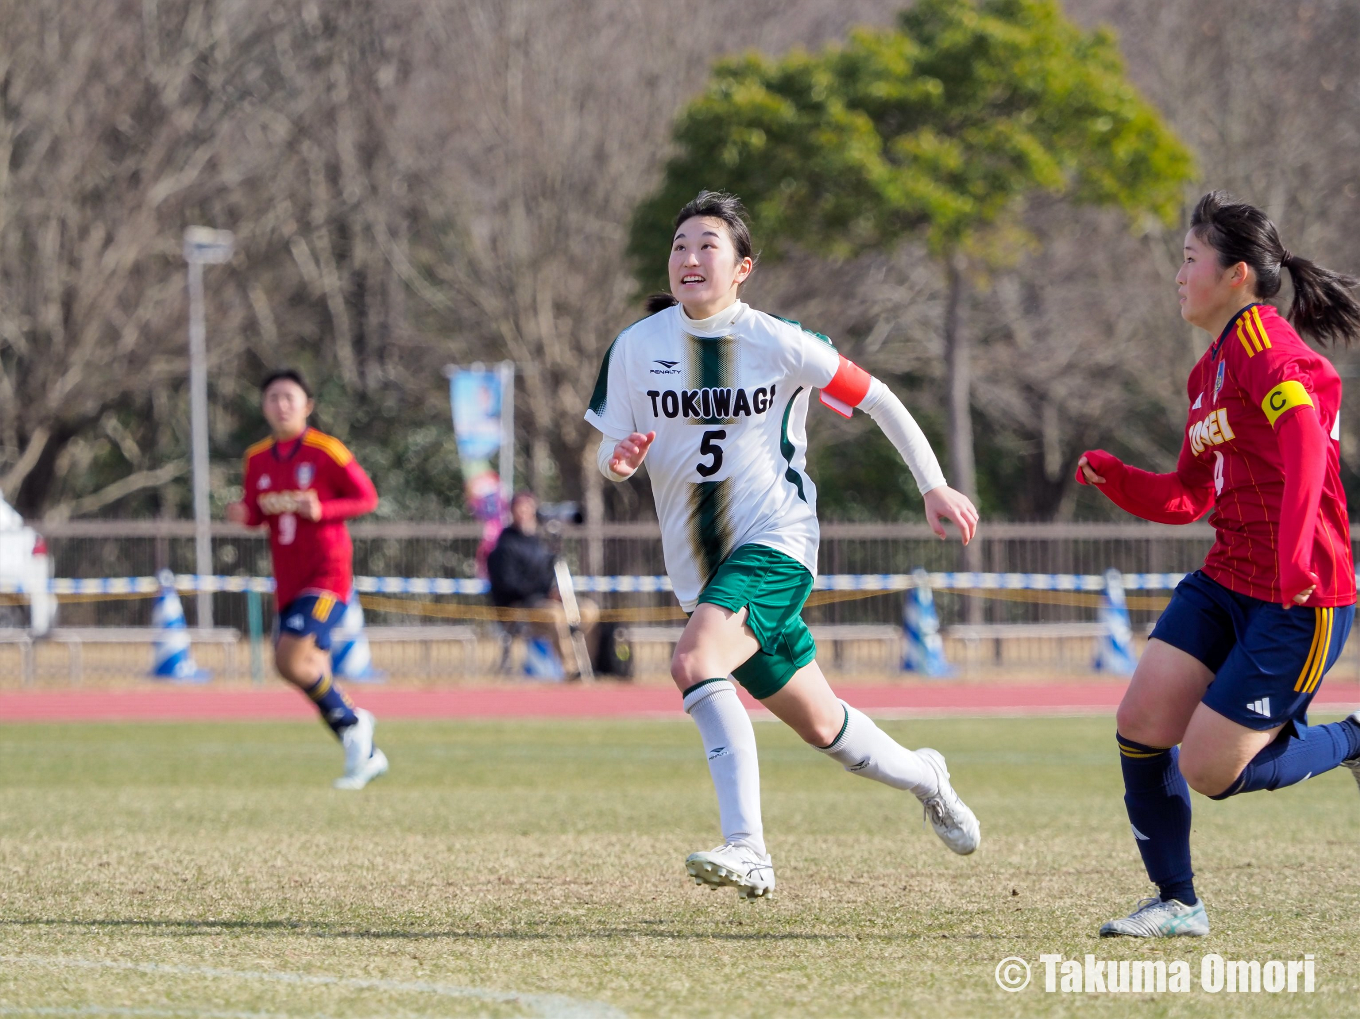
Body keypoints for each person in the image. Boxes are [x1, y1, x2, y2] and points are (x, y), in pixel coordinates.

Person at [585, 191, 981, 899]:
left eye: (708, 244)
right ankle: (928, 777)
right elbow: (608, 449)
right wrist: (617, 462)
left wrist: (934, 484)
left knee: (694, 660)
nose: (689, 257)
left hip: (777, 543)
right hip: (703, 572)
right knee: (825, 725)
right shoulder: (636, 347)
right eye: (680, 245)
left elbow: (878, 397)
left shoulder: (779, 340)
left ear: (743, 267)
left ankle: (749, 849)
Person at [1077, 191, 1360, 937]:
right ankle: (1178, 902)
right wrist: (1119, 478)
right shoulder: (1209, 373)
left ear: (1237, 275)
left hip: (1301, 595)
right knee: (1140, 720)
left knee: (1211, 769)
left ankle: (1354, 736)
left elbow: (1303, 441)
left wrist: (1297, 552)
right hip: (1227, 579)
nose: (1178, 274)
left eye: (1190, 258)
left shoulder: (1272, 352)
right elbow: (1187, 496)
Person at [227, 369, 387, 790]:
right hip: (288, 578)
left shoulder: (326, 450)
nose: (281, 405)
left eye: (289, 397)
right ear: (263, 406)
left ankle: (355, 723)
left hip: (327, 574)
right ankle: (363, 749)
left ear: (307, 405)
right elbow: (257, 511)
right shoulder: (257, 458)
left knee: (289, 658)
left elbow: (367, 497)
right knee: (305, 665)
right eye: (273, 397)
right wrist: (244, 516)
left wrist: (323, 510)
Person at [487, 490, 599, 676]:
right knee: (556, 616)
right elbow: (508, 585)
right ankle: (570, 671)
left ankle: (590, 667)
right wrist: (542, 593)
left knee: (589, 610)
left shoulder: (540, 543)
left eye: (528, 508)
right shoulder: (505, 546)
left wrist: (555, 592)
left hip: (546, 600)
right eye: (520, 508)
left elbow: (548, 576)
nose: (525, 512)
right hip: (522, 606)